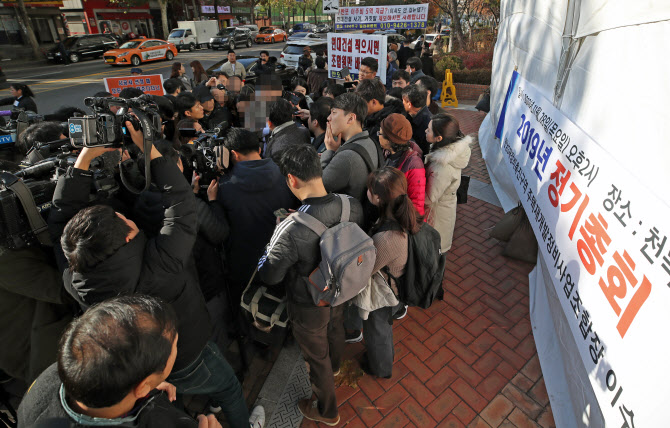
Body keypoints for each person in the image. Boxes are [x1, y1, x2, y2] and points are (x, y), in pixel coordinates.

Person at [47, 128, 259, 427]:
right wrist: (145, 146)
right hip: (188, 353)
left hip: (142, 369)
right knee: (229, 389)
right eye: (122, 219)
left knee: (172, 398)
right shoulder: (160, 263)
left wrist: (86, 159)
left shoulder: (77, 279)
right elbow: (184, 200)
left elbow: (60, 218)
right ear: (130, 235)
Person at [258, 144, 364, 426]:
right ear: (319, 169)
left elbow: (270, 275)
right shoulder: (350, 203)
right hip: (342, 290)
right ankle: (338, 365)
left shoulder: (291, 229)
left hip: (309, 304)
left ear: (291, 179)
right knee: (335, 328)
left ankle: (327, 410)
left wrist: (274, 240)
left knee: (316, 358)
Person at [17, 295, 235, 427]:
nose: (176, 346)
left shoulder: (59, 375)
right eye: (174, 345)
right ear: (142, 387)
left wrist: (139, 386)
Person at [217, 128, 298, 307]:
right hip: (279, 260)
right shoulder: (286, 175)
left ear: (233, 154)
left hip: (242, 266)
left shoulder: (224, 187)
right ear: (260, 149)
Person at [359, 167, 422, 378]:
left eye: (369, 189)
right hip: (398, 283)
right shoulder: (401, 214)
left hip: (387, 294)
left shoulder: (386, 239)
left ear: (377, 197)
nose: (366, 191)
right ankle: (382, 361)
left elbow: (365, 270)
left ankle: (381, 369)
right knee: (381, 329)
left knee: (378, 332)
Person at [424, 113, 472, 252]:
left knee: (434, 252)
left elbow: (429, 198)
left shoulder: (442, 168)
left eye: (429, 130)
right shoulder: (448, 148)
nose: (425, 131)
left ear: (439, 138)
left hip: (437, 216)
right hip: (443, 210)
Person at [322, 93, 381, 202]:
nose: (328, 118)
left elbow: (319, 186)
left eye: (334, 112)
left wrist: (329, 151)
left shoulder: (346, 157)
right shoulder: (370, 141)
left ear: (350, 119)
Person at [378, 114, 425, 214]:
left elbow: (416, 204)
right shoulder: (387, 152)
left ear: (390, 140)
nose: (378, 135)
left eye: (380, 133)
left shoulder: (414, 165)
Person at [355, 78, 404, 147]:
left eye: (362, 103)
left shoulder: (386, 127)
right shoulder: (368, 118)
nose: (358, 106)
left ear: (374, 102)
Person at [401, 84, 431, 155]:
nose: (402, 103)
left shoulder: (427, 124)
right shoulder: (411, 117)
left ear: (409, 104)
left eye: (403, 101)